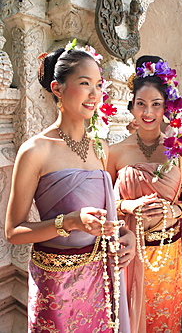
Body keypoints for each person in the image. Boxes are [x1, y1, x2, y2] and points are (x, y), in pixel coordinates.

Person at [5, 42, 135, 332]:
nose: (95, 94)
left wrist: (126, 235)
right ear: (58, 88)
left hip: (98, 277)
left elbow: (106, 216)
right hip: (56, 284)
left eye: (99, 85)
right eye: (85, 83)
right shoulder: (35, 150)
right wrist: (71, 222)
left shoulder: (100, 147)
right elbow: (14, 232)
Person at [107, 55, 182, 333]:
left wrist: (176, 210)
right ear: (131, 106)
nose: (148, 112)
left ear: (165, 108)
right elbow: (106, 204)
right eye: (141, 104)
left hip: (167, 251)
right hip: (128, 253)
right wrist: (129, 205)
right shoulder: (116, 152)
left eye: (156, 104)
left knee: (162, 319)